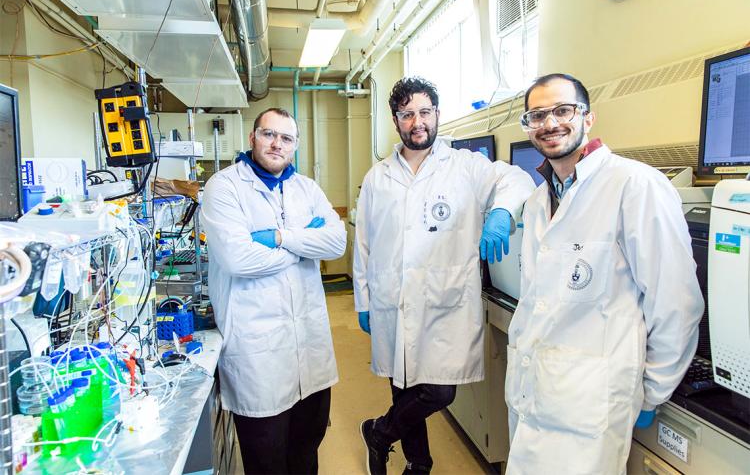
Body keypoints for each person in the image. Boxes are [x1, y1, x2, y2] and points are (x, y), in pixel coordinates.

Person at [505, 73, 703, 474]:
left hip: (591, 403)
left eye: (563, 110)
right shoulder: (539, 199)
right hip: (532, 392)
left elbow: (676, 301)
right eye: (537, 115)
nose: (550, 123)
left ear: (588, 117)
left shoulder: (635, 185)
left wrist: (651, 391)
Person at [353, 77, 535, 475]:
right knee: (403, 383)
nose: (416, 121)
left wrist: (502, 212)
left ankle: (380, 433)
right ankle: (419, 463)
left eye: (424, 112)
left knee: (438, 389)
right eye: (406, 114)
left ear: (437, 114)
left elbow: (516, 179)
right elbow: (363, 246)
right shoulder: (377, 178)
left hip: (444, 301)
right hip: (392, 299)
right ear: (395, 120)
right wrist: (363, 301)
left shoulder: (465, 166)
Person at [201, 107, 346, 474]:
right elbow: (238, 259)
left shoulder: (307, 188)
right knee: (266, 459)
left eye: (286, 138)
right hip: (257, 354)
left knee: (306, 449)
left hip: (308, 349)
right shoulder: (224, 187)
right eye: (269, 134)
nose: (277, 144)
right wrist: (302, 247)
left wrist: (281, 238)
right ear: (252, 138)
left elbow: (336, 242)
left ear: (294, 146)